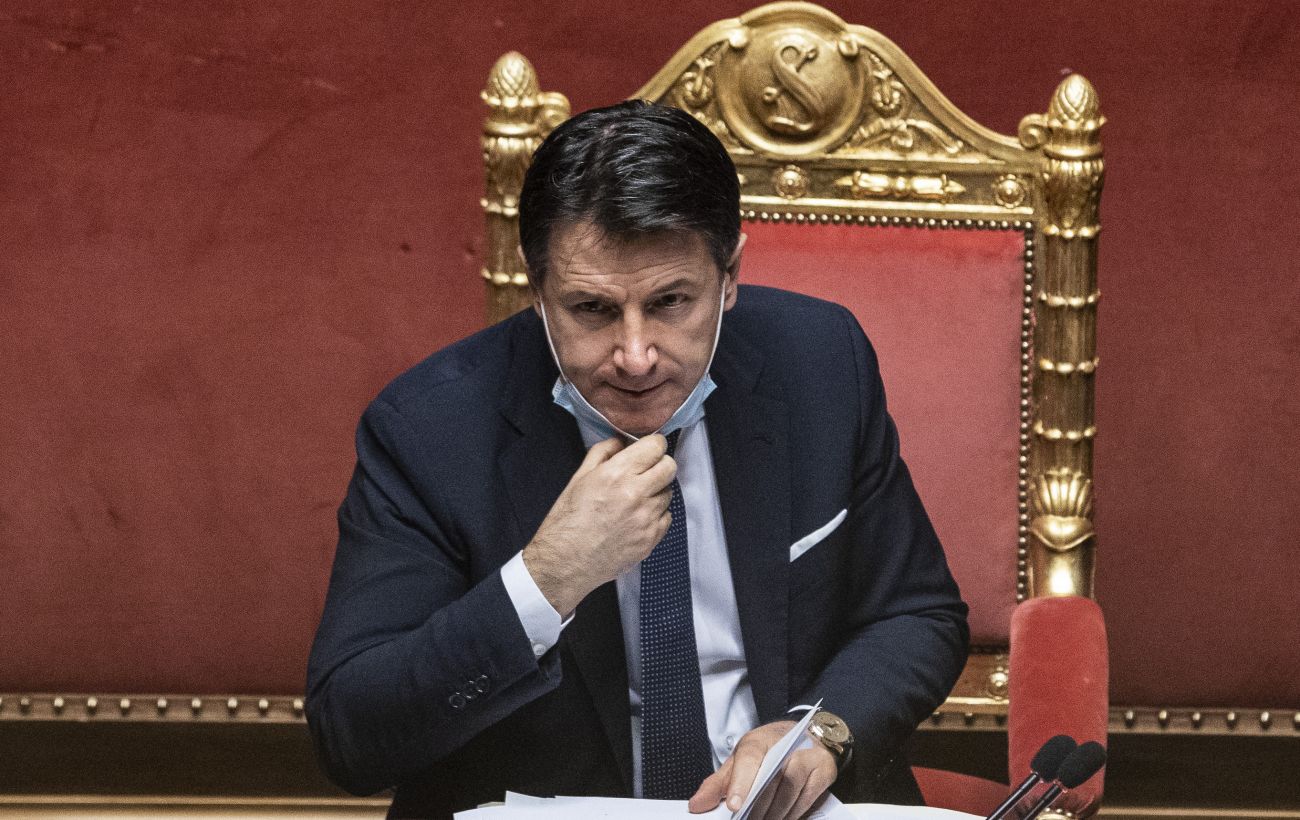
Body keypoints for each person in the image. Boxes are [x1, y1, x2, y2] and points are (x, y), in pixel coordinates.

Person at [306, 100, 968, 820]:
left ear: (731, 274)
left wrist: (822, 732)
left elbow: (916, 612)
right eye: (591, 309)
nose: (635, 355)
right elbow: (351, 734)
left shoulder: (820, 361)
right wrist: (544, 581)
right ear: (536, 288)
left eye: (671, 301)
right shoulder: (429, 429)